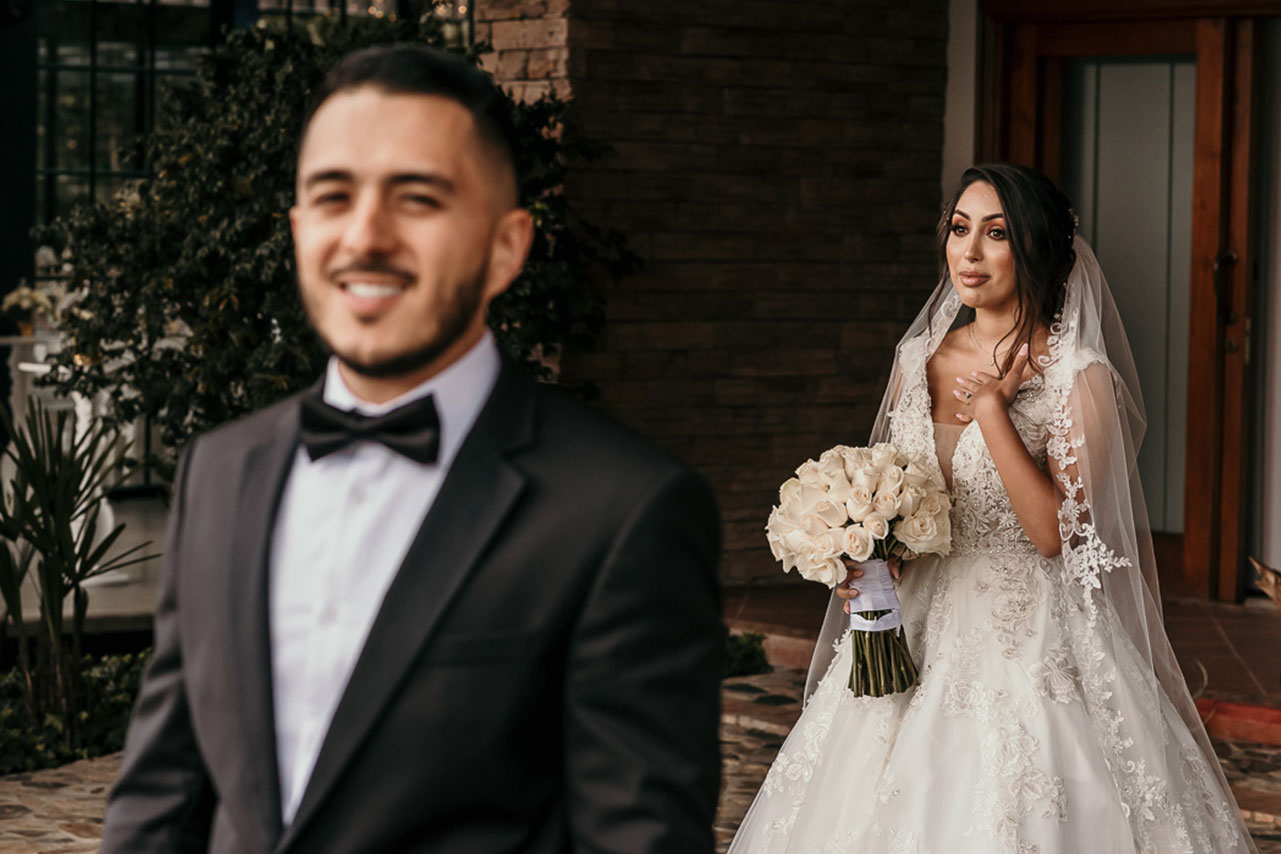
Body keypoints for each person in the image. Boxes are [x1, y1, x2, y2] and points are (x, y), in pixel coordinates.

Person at [101, 45, 724, 854]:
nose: (365, 236)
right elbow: (161, 794)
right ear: (299, 230)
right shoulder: (218, 469)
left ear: (505, 248)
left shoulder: (624, 511)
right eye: (333, 196)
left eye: (418, 199)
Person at [729, 163, 1257, 853]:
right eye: (959, 229)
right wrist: (862, 548)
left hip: (1024, 633)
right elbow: (898, 490)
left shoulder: (1078, 377)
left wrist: (991, 411)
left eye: (996, 233)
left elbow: (1051, 534)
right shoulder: (916, 358)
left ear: (1035, 247)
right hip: (910, 623)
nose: (969, 252)